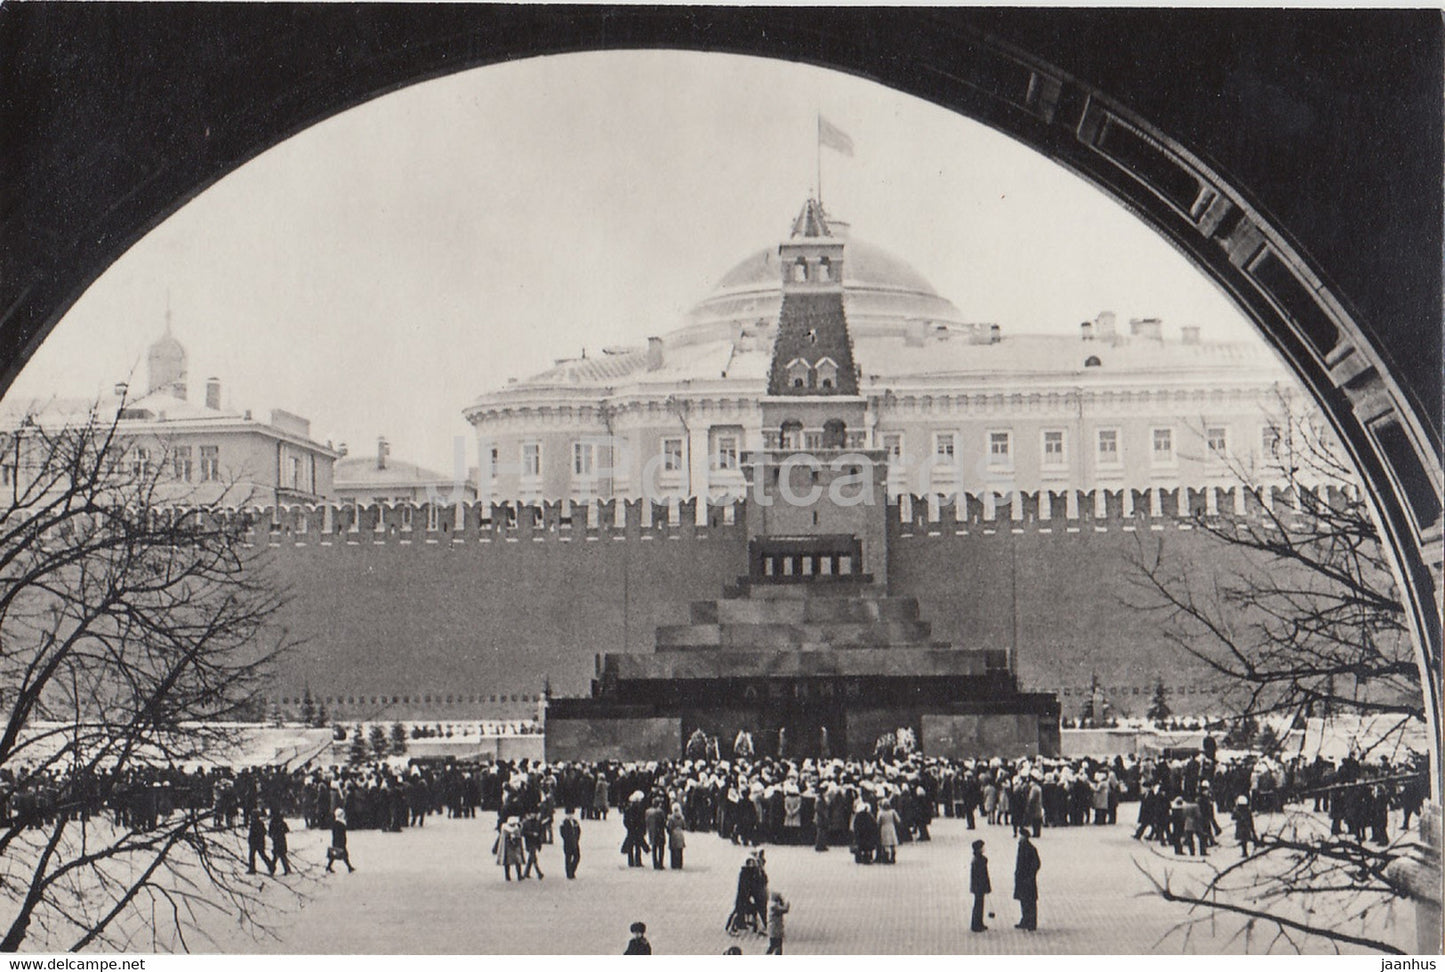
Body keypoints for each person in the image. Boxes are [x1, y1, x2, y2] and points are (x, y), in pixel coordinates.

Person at [1013, 831, 1040, 931]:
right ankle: (1025, 920)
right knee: (1024, 901)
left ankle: (1032, 922)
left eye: (1021, 836)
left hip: (1028, 880)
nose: (1019, 838)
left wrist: (1030, 875)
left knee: (1030, 901)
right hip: (1021, 879)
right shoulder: (1021, 847)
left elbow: (1036, 864)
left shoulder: (1030, 849)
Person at [969, 838, 991, 932]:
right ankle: (976, 924)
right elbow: (982, 875)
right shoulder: (979, 860)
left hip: (977, 886)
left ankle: (978, 923)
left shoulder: (977, 859)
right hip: (979, 886)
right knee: (978, 905)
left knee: (979, 905)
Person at [327, 807, 355, 873]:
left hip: (336, 841)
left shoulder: (335, 823)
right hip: (340, 841)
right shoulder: (340, 824)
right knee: (343, 854)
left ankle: (329, 866)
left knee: (335, 855)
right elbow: (340, 834)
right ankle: (349, 867)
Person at [268, 806, 291, 876]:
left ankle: (272, 869)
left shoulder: (272, 822)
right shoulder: (282, 822)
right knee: (282, 855)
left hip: (276, 840)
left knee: (276, 856)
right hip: (282, 840)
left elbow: (270, 832)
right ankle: (286, 869)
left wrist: (273, 835)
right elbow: (287, 830)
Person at [521, 812, 545, 879]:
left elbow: (541, 831)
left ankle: (526, 873)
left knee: (531, 858)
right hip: (529, 842)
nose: (533, 815)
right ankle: (539, 872)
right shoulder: (526, 823)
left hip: (536, 842)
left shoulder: (538, 822)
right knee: (533, 857)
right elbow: (523, 833)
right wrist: (532, 834)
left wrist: (540, 840)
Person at [876, 799, 900, 864]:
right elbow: (898, 820)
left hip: (884, 828)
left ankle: (886, 857)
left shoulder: (880, 813)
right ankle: (893, 857)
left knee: (885, 843)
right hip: (891, 827)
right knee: (892, 843)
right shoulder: (892, 812)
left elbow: (878, 822)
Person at [646, 797, 667, 870]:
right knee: (661, 848)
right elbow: (663, 822)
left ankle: (655, 863)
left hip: (652, 832)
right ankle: (660, 863)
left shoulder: (648, 812)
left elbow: (646, 822)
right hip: (660, 831)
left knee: (654, 848)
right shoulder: (660, 812)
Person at [560, 808, 582, 879]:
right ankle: (569, 874)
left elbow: (579, 831)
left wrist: (577, 838)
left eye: (572, 814)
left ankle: (572, 870)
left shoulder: (575, 822)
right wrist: (567, 839)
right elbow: (562, 833)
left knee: (577, 857)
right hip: (568, 843)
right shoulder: (564, 822)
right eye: (569, 814)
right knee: (568, 858)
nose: (570, 816)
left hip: (575, 842)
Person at [667, 801, 687, 870]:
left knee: (673, 850)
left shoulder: (671, 818)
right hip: (680, 834)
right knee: (680, 850)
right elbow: (684, 826)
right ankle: (679, 864)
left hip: (673, 834)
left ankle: (674, 864)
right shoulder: (682, 817)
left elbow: (669, 827)